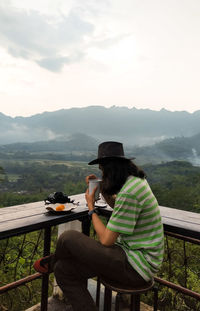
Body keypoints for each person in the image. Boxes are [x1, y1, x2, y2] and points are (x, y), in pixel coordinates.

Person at [33, 141, 164, 311]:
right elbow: (119, 209)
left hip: (136, 267)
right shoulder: (135, 183)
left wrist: (91, 208)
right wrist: (102, 188)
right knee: (63, 270)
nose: (102, 173)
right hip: (127, 256)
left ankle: (51, 261)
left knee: (68, 238)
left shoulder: (130, 192)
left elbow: (106, 240)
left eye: (103, 170)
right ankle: (54, 264)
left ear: (112, 169)